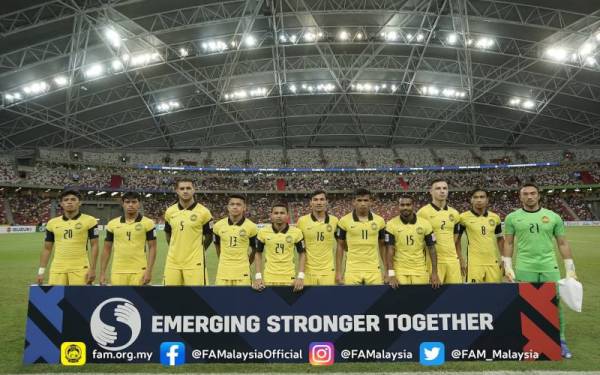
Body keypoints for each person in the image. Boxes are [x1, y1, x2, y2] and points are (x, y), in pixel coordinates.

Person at [503, 183, 578, 359]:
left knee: (554, 303)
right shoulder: (512, 218)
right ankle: (526, 339)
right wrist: (507, 266)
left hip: (549, 266)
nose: (530, 196)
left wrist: (570, 268)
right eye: (526, 194)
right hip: (524, 266)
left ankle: (560, 340)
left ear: (538, 195)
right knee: (524, 303)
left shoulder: (553, 217)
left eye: (533, 193)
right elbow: (508, 243)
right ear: (520, 197)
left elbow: (562, 243)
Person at [36, 190, 99, 285]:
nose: (69, 202)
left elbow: (94, 245)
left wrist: (93, 269)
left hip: (80, 267)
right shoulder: (52, 223)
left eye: (73, 199)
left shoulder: (90, 221)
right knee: (56, 299)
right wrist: (41, 272)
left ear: (79, 202)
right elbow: (47, 249)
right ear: (61, 203)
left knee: (79, 298)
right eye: (66, 200)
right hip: (58, 268)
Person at [100, 192, 157, 285]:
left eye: (134, 202)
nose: (130, 205)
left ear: (139, 204)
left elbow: (153, 247)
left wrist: (149, 271)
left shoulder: (148, 223)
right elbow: (107, 249)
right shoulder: (112, 224)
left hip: (139, 271)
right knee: (119, 298)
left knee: (138, 299)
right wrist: (102, 273)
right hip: (117, 271)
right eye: (127, 202)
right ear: (123, 204)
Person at [163, 178, 213, 285]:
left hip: (195, 263)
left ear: (194, 190)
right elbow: (168, 234)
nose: (185, 191)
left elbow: (209, 236)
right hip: (173, 262)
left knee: (197, 297)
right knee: (169, 297)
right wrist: (175, 248)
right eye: (182, 188)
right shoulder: (170, 211)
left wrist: (200, 250)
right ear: (177, 190)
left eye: (188, 188)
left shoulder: (204, 212)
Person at [385, 195, 440, 288]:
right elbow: (390, 251)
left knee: (419, 299)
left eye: (408, 204)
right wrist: (391, 274)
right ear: (398, 206)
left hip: (420, 269)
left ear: (413, 206)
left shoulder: (425, 224)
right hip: (400, 270)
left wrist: (434, 273)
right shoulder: (391, 224)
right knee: (401, 300)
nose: (405, 207)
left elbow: (432, 249)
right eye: (402, 205)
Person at [417, 179, 464, 284]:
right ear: (431, 191)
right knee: (433, 295)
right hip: (433, 262)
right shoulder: (422, 213)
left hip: (452, 261)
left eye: (445, 188)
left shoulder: (455, 213)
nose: (442, 191)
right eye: (438, 188)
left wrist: (459, 259)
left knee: (455, 294)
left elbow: (455, 238)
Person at [335, 188, 386, 285]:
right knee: (352, 299)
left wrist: (387, 271)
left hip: (373, 269)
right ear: (353, 202)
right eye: (359, 200)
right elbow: (340, 246)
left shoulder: (380, 221)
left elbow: (383, 246)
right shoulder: (344, 221)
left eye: (366, 200)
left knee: (376, 298)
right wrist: (338, 272)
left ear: (371, 202)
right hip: (352, 270)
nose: (363, 203)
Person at [253, 204, 305, 291]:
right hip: (269, 277)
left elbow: (302, 254)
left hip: (289, 277)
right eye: (276, 213)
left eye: (282, 213)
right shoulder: (263, 232)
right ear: (271, 215)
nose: (279, 215)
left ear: (287, 215)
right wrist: (258, 276)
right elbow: (258, 253)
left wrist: (300, 276)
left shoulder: (297, 232)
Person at [456, 188, 503, 283]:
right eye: (476, 197)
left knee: (495, 292)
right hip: (474, 263)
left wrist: (503, 258)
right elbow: (457, 241)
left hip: (493, 262)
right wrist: (460, 259)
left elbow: (500, 239)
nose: (479, 200)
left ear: (487, 200)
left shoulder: (495, 218)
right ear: (471, 200)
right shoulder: (463, 217)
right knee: (473, 293)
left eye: (482, 197)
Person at [213, 194, 258, 286]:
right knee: (221, 299)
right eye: (232, 204)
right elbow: (217, 245)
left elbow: (255, 249)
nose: (235, 207)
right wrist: (223, 260)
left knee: (243, 299)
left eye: (238, 204)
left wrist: (248, 261)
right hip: (223, 271)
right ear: (228, 207)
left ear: (244, 207)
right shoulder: (218, 225)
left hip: (242, 272)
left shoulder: (252, 227)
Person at [296, 190, 338, 285]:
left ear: (326, 202)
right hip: (308, 272)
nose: (319, 202)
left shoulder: (334, 221)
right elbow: (298, 248)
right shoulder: (302, 221)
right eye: (315, 200)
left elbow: (341, 245)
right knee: (307, 299)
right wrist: (300, 274)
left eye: (322, 199)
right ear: (311, 202)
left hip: (328, 271)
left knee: (328, 299)